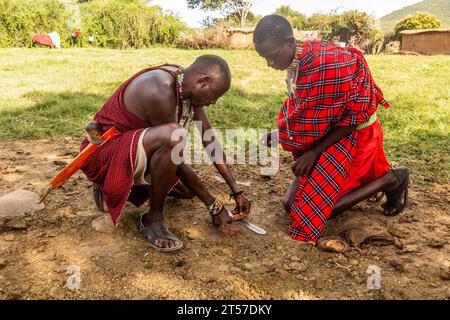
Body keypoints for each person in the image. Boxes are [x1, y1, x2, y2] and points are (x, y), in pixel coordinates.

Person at [253, 15, 409, 247]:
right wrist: (281, 134)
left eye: (272, 57)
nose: (270, 64)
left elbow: (354, 117)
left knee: (315, 212)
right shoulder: (299, 60)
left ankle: (391, 180)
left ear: (289, 42)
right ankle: (370, 181)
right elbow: (308, 108)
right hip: (331, 135)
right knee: (290, 205)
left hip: (354, 135)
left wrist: (314, 152)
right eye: (265, 59)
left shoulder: (324, 64)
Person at [80, 55, 251, 252]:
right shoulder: (159, 90)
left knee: (188, 191)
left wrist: (236, 190)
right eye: (214, 95)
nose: (213, 102)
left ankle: (124, 188)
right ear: (202, 81)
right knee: (172, 137)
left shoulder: (185, 86)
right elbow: (173, 152)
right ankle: (152, 218)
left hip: (134, 151)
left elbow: (209, 139)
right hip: (105, 156)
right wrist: (213, 205)